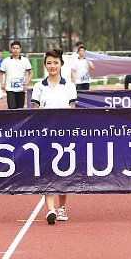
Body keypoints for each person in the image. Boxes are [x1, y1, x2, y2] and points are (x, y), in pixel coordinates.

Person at [31, 48, 77, 224]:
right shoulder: (38, 86)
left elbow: (73, 109)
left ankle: (62, 207)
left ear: (61, 65)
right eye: (49, 63)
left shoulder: (69, 86)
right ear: (44, 65)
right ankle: (50, 210)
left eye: (55, 63)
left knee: (64, 171)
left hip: (64, 135)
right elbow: (34, 111)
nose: (52, 66)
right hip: (45, 136)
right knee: (47, 171)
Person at [0, 40, 33, 109]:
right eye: (13, 48)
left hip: (21, 89)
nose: (15, 50)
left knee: (20, 109)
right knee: (12, 108)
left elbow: (31, 73)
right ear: (11, 49)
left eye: (17, 48)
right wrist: (2, 83)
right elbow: (1, 73)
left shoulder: (25, 60)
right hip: (10, 89)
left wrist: (26, 83)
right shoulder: (6, 61)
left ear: (20, 49)